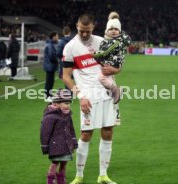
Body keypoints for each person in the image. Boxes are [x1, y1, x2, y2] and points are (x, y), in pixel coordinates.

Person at [62, 13, 120, 184]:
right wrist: (80, 96)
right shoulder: (70, 47)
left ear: (93, 27)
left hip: (107, 93)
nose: (85, 34)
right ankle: (79, 176)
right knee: (86, 134)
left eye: (87, 31)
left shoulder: (102, 42)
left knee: (108, 131)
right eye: (81, 31)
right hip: (88, 96)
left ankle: (103, 175)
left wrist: (114, 71)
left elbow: (115, 67)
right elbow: (66, 76)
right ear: (77, 26)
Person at [40, 89, 78, 184]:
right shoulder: (50, 117)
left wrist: (74, 142)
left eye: (69, 103)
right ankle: (50, 179)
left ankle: (61, 179)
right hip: (56, 146)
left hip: (66, 145)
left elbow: (71, 130)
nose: (68, 105)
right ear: (56, 104)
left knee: (64, 163)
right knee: (55, 163)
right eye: (65, 103)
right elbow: (45, 133)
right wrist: (45, 146)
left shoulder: (67, 115)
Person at [93, 12, 131, 104]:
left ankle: (115, 90)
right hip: (115, 62)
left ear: (120, 31)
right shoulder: (119, 39)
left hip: (113, 63)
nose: (113, 31)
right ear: (107, 31)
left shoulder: (113, 42)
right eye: (111, 29)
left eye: (116, 29)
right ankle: (113, 91)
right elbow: (127, 39)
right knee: (108, 78)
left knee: (102, 78)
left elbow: (104, 52)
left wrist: (95, 55)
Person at [43, 31, 59, 102]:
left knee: (51, 81)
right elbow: (51, 56)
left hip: (51, 66)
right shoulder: (50, 45)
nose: (58, 38)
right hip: (49, 65)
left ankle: (49, 95)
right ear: (53, 37)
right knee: (49, 81)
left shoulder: (51, 44)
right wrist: (57, 60)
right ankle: (47, 96)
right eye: (57, 36)